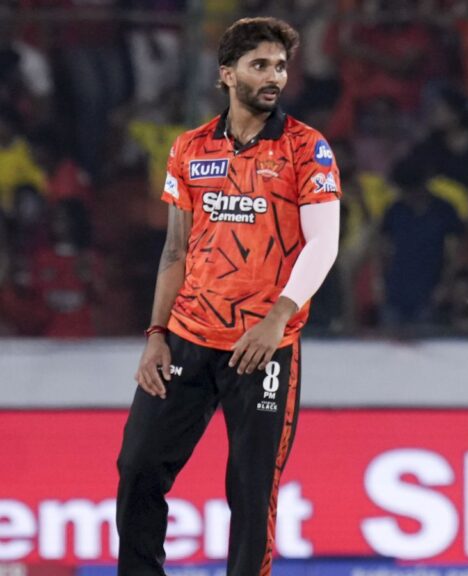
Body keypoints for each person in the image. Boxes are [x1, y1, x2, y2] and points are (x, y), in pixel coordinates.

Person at [116, 18, 341, 576]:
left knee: (250, 488)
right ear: (226, 74)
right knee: (138, 467)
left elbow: (325, 245)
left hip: (262, 348)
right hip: (188, 339)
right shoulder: (190, 148)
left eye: (281, 66)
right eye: (259, 65)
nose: (274, 77)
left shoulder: (306, 148)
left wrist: (276, 320)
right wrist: (156, 335)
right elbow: (175, 252)